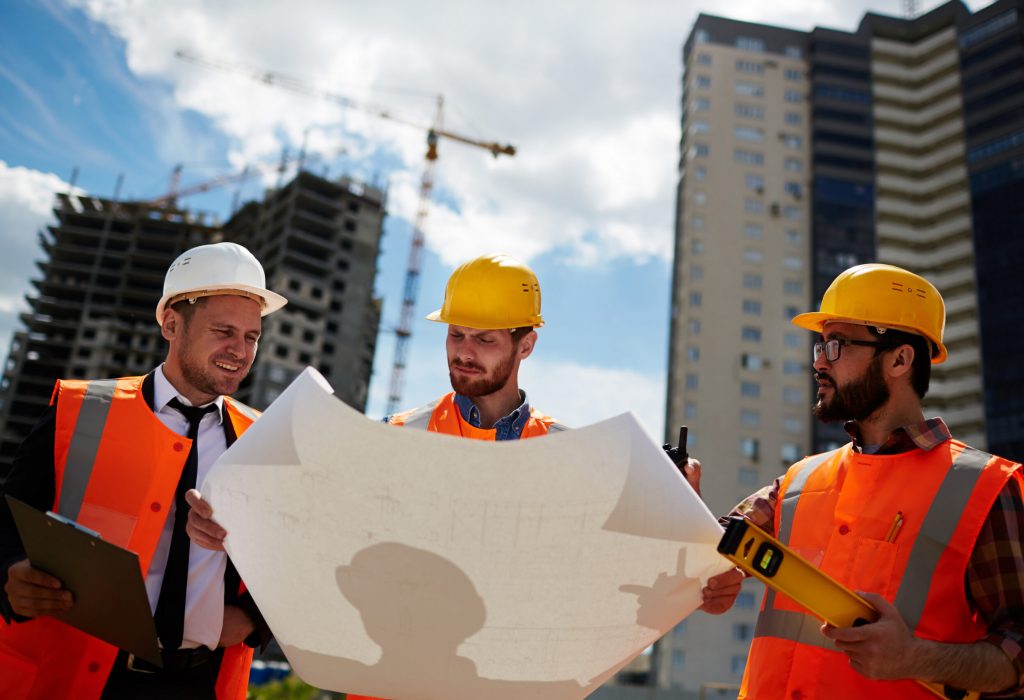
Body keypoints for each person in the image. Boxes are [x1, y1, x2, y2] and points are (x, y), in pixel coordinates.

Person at [186, 253, 567, 700]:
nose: (463, 352)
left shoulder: (564, 455)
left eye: (484, 340)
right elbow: (310, 537)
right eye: (455, 334)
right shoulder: (393, 437)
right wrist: (228, 527)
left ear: (526, 345)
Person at [693, 263, 1023, 698]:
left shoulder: (984, 488)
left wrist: (915, 658)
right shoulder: (800, 479)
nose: (818, 363)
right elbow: (717, 545)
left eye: (836, 345)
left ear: (900, 359)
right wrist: (685, 516)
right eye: (819, 346)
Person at [0, 241, 287, 699]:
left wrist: (253, 617)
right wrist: (9, 572)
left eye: (251, 336)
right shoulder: (83, 410)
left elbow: (299, 552)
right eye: (224, 331)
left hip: (199, 682)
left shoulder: (264, 439)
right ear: (172, 324)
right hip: (79, 674)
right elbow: (9, 517)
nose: (240, 350)